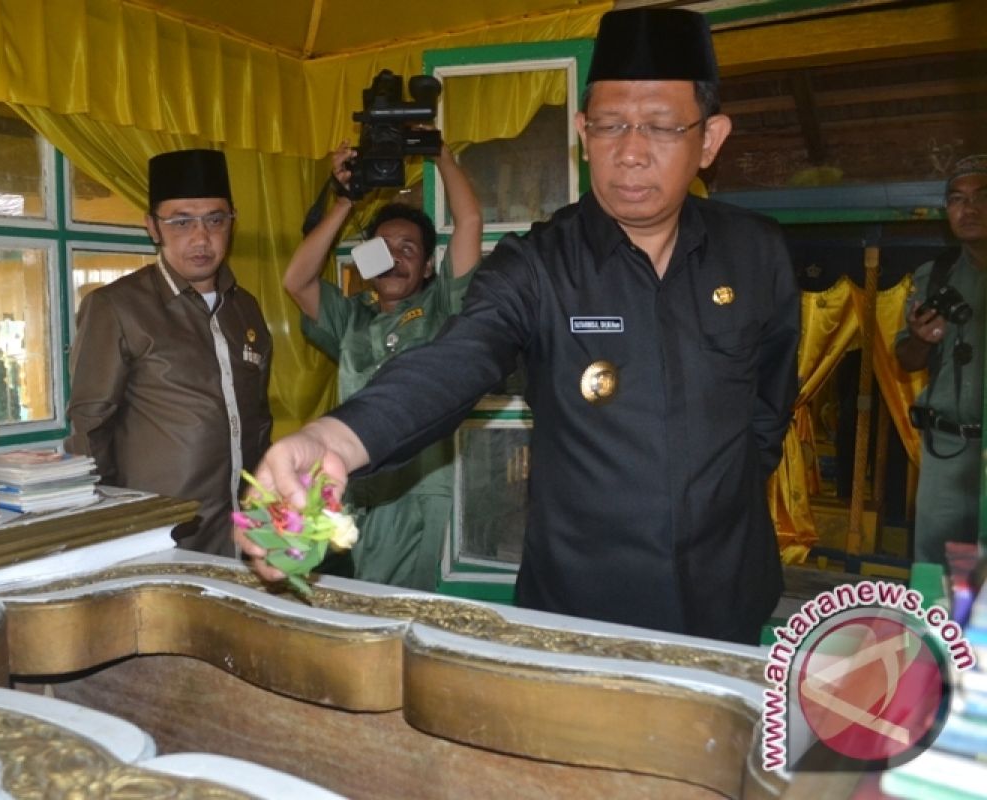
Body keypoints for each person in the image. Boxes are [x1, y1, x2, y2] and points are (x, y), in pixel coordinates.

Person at [237, 7, 801, 646]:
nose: (633, 152)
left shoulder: (756, 253)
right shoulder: (538, 264)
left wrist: (719, 491)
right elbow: (456, 359)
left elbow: (768, 405)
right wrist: (337, 439)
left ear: (710, 139)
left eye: (664, 127)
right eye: (612, 125)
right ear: (583, 133)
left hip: (724, 593)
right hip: (582, 603)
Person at [282, 142, 483, 590]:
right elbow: (296, 279)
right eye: (382, 248)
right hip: (348, 491)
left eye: (408, 248)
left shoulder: (444, 308)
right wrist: (346, 201)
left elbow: (469, 222)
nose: (393, 257)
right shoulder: (351, 316)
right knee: (341, 600)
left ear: (429, 265)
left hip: (412, 493)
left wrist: (441, 154)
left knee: (396, 610)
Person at [66, 149, 273, 554]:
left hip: (243, 530)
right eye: (180, 221)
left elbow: (258, 420)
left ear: (233, 221)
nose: (200, 238)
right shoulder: (118, 307)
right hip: (161, 535)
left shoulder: (245, 308)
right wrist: (113, 528)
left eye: (215, 220)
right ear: (153, 227)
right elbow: (89, 428)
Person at [895, 154, 985, 566]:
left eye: (982, 196)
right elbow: (908, 360)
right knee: (940, 577)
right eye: (957, 199)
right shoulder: (936, 274)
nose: (970, 208)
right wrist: (920, 338)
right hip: (947, 450)